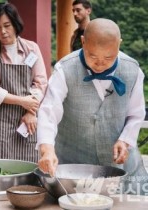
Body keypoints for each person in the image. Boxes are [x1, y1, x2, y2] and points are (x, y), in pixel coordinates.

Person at [37, 18, 148, 195]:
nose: (100, 63)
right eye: (93, 56)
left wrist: (125, 140)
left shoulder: (133, 70)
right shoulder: (65, 68)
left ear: (119, 44)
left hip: (122, 170)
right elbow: (49, 111)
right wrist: (47, 149)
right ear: (83, 42)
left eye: (108, 58)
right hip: (74, 170)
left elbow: (136, 114)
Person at [0, 3, 48, 162]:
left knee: (28, 166)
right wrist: (22, 101)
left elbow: (41, 82)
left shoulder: (32, 49)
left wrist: (30, 111)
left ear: (15, 24)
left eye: (7, 25)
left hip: (27, 119)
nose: (3, 31)